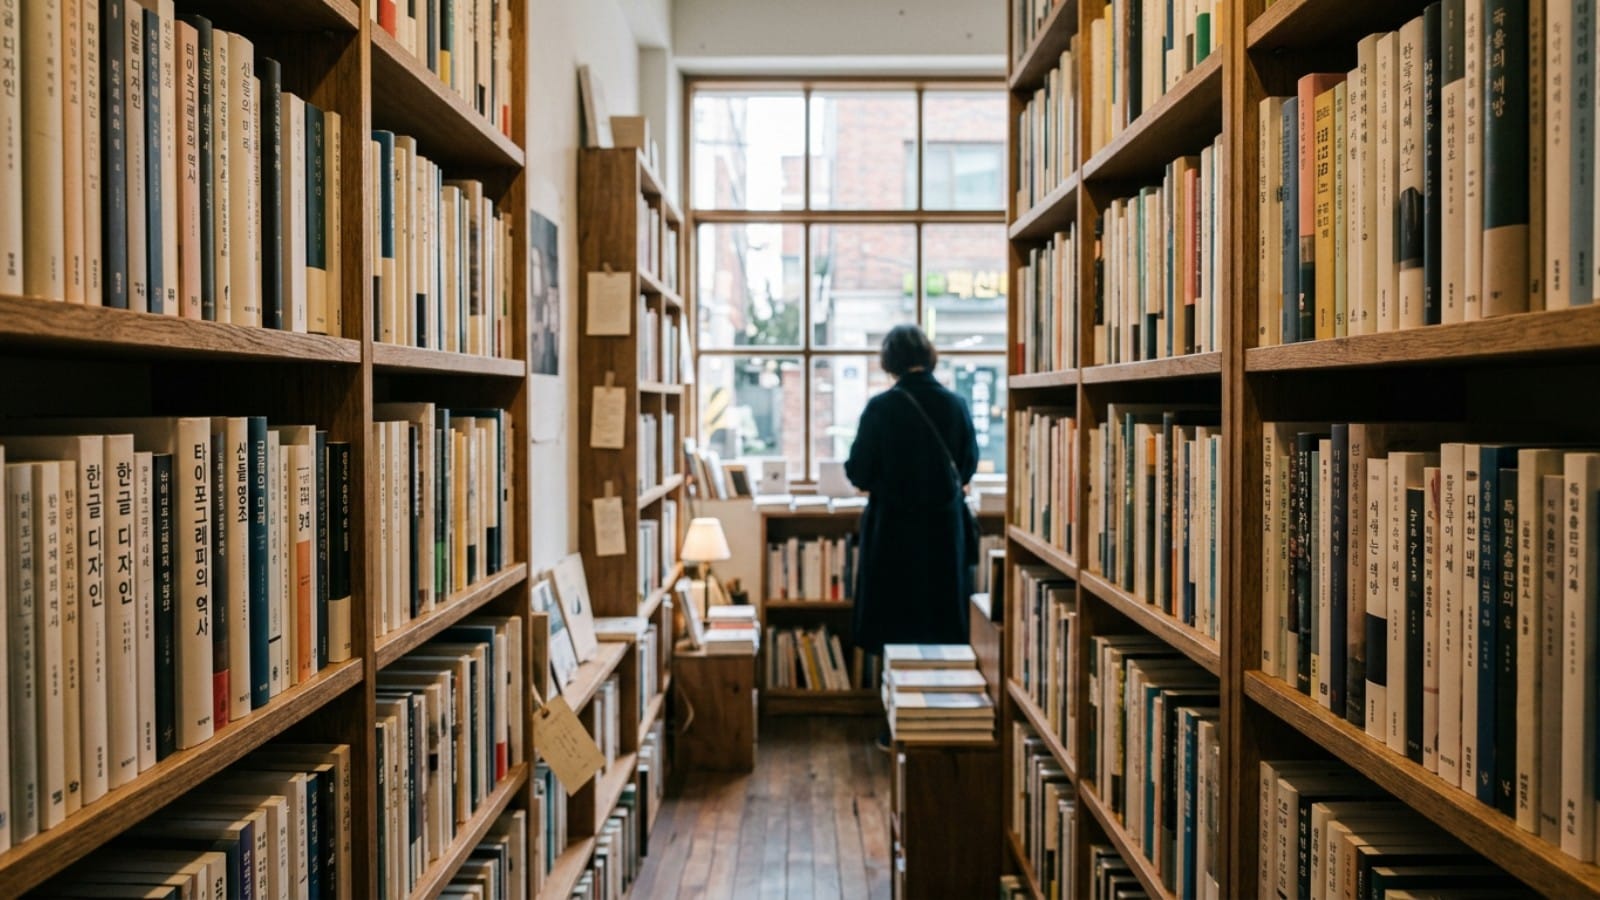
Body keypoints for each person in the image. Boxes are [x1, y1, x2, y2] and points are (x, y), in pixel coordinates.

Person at [845, 325, 979, 749]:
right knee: (941, 622)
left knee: (897, 626)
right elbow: (969, 465)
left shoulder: (881, 408)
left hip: (894, 536)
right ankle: (943, 721)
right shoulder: (955, 405)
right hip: (943, 533)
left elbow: (858, 472)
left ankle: (897, 723)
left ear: (890, 361)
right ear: (929, 355)